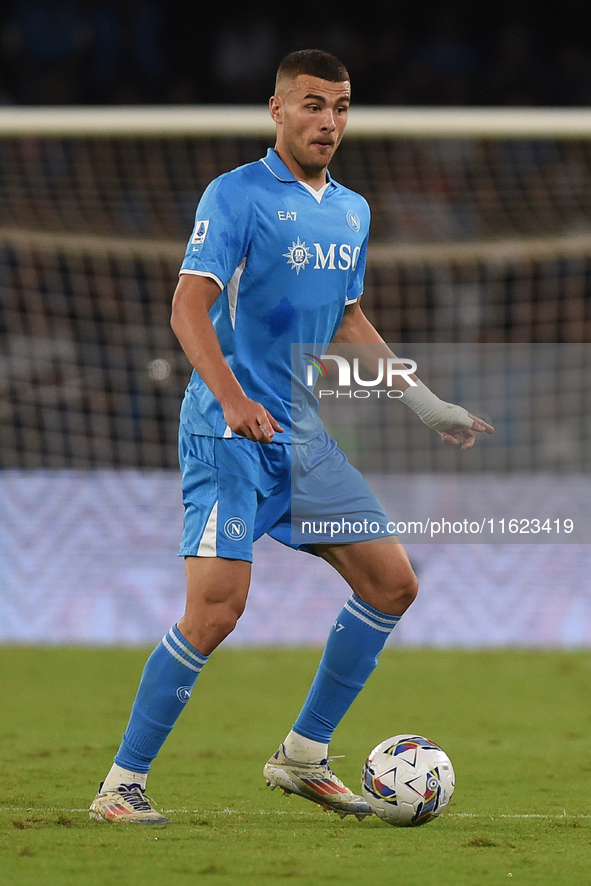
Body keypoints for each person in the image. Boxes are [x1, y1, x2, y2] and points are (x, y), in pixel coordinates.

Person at [89, 49, 493, 825]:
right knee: (214, 614)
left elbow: (348, 320)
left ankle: (303, 755)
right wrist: (233, 399)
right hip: (227, 434)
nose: (328, 121)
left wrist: (424, 402)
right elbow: (185, 306)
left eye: (340, 107)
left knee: (391, 583)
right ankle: (121, 785)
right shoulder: (236, 195)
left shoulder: (352, 211)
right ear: (276, 110)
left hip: (300, 438)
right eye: (312, 105)